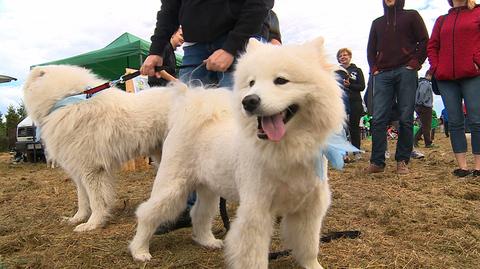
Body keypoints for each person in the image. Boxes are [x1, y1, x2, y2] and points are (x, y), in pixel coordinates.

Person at [140, 0, 273, 89]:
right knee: (188, 113)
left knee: (239, 114)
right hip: (195, 46)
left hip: (242, 38)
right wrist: (156, 51)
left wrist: (232, 47)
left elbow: (259, 3)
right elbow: (169, 9)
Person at [364, 0, 429, 174]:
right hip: (383, 74)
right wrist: (374, 68)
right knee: (378, 118)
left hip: (405, 71)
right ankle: (377, 162)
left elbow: (424, 41)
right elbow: (370, 49)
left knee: (405, 117)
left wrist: (415, 62)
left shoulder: (412, 16)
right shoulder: (377, 23)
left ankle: (402, 160)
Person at [427, 0, 480, 178]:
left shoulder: (477, 13)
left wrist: (477, 61)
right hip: (446, 78)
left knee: (476, 120)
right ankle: (462, 166)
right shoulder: (442, 20)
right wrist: (436, 67)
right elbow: (432, 46)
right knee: (455, 121)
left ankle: (479, 166)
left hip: (473, 75)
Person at [337, 48, 365, 159]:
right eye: (340, 56)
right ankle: (343, 152)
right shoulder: (336, 71)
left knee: (354, 127)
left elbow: (362, 86)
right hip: (341, 102)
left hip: (355, 102)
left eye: (345, 55)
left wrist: (350, 85)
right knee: (341, 128)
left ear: (350, 56)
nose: (343, 57)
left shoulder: (357, 70)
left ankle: (356, 151)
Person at [414, 75, 434, 147]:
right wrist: (422, 102)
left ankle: (416, 139)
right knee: (427, 126)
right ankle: (427, 143)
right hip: (424, 106)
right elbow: (422, 92)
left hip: (421, 106)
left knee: (425, 125)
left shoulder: (420, 82)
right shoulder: (425, 83)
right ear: (429, 75)